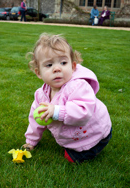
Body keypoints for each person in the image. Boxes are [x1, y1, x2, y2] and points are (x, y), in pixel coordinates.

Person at [23, 33, 112, 163]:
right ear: (38, 73)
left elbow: (83, 112)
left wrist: (57, 111)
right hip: (75, 128)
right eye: (49, 65)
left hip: (94, 132)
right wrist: (31, 141)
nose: (57, 69)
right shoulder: (40, 95)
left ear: (73, 66)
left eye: (63, 62)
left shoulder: (79, 86)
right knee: (48, 116)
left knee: (71, 158)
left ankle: (93, 146)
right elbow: (35, 119)